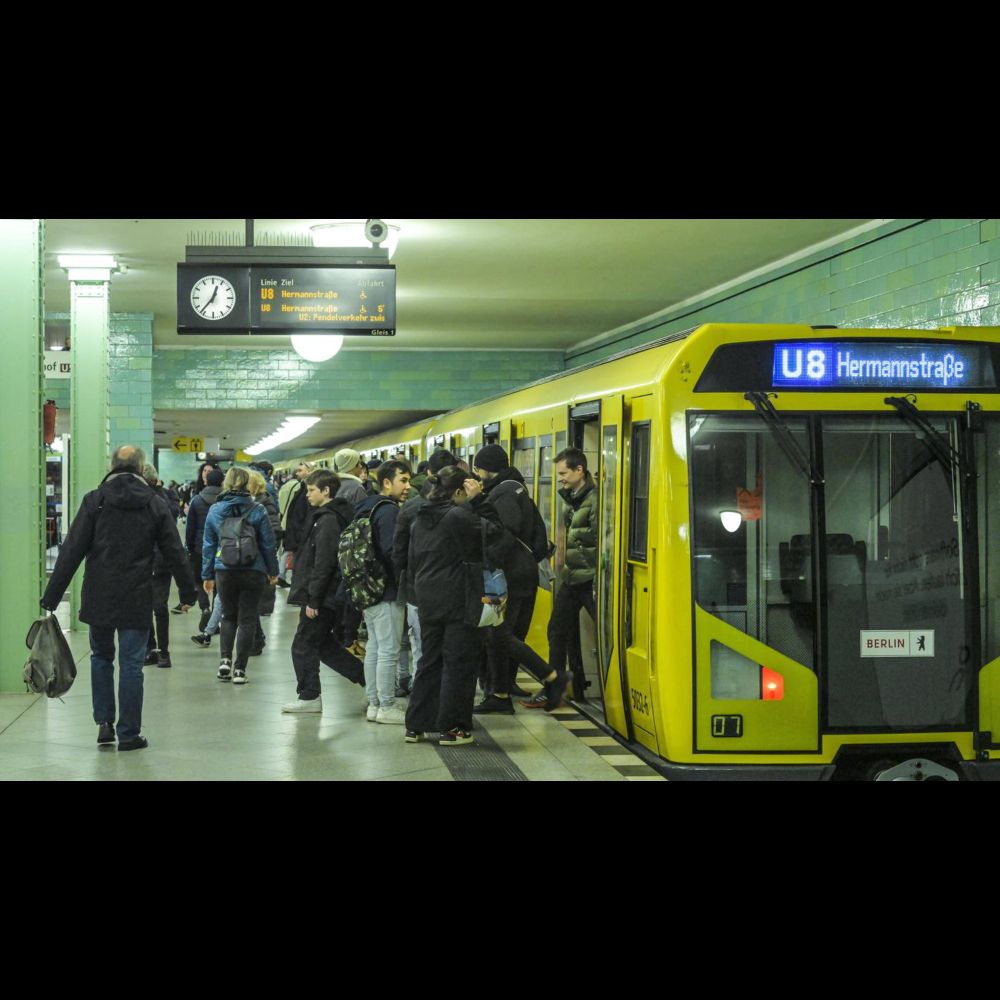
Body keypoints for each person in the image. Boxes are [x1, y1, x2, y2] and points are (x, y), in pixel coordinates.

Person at [40, 445, 198, 751]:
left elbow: (71, 550)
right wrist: (188, 592)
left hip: (99, 593)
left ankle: (103, 724)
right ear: (140, 468)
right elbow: (174, 551)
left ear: (112, 466)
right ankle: (129, 733)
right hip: (137, 595)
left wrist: (52, 595)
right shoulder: (154, 503)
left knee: (101, 657)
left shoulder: (94, 500)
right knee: (132, 665)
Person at [401, 466, 505, 745]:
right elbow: (496, 534)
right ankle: (453, 728)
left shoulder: (419, 517)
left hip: (427, 598)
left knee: (429, 660)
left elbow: (410, 560)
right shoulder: (459, 515)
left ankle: (416, 725)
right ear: (460, 490)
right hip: (458, 598)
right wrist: (479, 501)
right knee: (458, 662)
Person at [469, 444, 549, 713]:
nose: (478, 474)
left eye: (479, 468)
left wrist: (488, 561)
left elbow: (503, 533)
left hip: (509, 574)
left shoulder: (502, 493)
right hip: (523, 572)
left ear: (488, 469)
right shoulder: (517, 488)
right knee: (510, 632)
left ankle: (502, 692)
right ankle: (505, 686)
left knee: (498, 634)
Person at [522, 447, 596, 711]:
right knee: (557, 629)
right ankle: (554, 684)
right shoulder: (573, 497)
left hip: (590, 579)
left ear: (580, 470)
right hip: (572, 578)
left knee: (602, 630)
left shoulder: (595, 501)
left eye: (564, 473)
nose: (560, 479)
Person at [283, 469, 355, 713]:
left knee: (302, 644)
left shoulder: (327, 521)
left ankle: (309, 696)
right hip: (326, 594)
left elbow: (323, 562)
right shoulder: (327, 516)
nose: (307, 495)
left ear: (326, 491)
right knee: (324, 646)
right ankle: (370, 681)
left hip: (323, 597)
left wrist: (313, 599)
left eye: (311, 490)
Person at [202, 466, 279, 685]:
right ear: (248, 483)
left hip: (224, 570)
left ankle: (225, 661)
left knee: (228, 616)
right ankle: (240, 671)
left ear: (227, 483)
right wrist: (273, 571)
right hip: (252, 570)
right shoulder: (257, 509)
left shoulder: (215, 509)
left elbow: (208, 545)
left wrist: (207, 574)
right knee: (247, 620)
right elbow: (267, 544)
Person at [392, 449, 458, 697]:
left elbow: (398, 553)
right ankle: (445, 697)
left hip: (417, 590)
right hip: (453, 593)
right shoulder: (461, 509)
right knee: (450, 651)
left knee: (423, 648)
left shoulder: (410, 508)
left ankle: (423, 699)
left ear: (428, 473)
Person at [354, 459, 411, 724]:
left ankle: (374, 702)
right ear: (387, 482)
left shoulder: (368, 506)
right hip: (386, 589)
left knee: (375, 647)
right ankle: (386, 705)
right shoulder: (388, 511)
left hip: (369, 588)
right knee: (388, 649)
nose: (407, 486)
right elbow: (392, 551)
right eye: (403, 480)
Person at [142, 463, 180, 668]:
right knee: (152, 606)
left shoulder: (166, 495)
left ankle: (160, 650)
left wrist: (157, 489)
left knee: (157, 606)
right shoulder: (143, 497)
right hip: (151, 560)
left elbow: (172, 515)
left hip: (159, 561)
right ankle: (154, 649)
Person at [184, 466, 224, 634]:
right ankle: (215, 618)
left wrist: (190, 547)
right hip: (222, 548)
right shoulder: (225, 500)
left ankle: (205, 608)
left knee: (199, 581)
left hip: (200, 547)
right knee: (218, 584)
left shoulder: (197, 500)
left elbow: (190, 526)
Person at [277, 461, 312, 586]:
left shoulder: (285, 486)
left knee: (286, 549)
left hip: (286, 519)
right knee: (291, 551)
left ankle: (281, 573)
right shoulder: (298, 487)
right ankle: (283, 574)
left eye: (300, 470)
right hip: (296, 525)